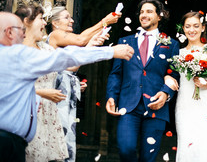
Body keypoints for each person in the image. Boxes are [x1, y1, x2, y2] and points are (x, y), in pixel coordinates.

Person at [0, 11, 134, 162]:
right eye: (20, 29)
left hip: (36, 125)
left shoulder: (37, 50)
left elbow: (67, 62)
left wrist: (92, 46)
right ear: (10, 31)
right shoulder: (14, 55)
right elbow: (66, 56)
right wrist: (110, 50)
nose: (45, 23)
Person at [106, 0, 180, 162]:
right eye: (141, 12)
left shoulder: (171, 44)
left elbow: (174, 74)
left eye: (149, 11)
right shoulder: (124, 42)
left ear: (159, 16)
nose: (144, 15)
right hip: (129, 106)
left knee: (148, 158)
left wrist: (165, 94)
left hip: (156, 106)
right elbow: (116, 73)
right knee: (126, 148)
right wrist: (111, 96)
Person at [45, 6, 120, 161]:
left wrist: (91, 45)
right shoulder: (56, 35)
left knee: (65, 137)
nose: (71, 20)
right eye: (67, 17)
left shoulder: (62, 42)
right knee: (58, 137)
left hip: (64, 95)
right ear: (55, 23)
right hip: (56, 95)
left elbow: (72, 66)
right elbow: (80, 39)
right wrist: (104, 22)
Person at [15, 5, 68, 161]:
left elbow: (71, 63)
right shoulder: (13, 51)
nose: (45, 23)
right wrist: (41, 93)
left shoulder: (47, 50)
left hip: (48, 116)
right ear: (26, 22)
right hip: (25, 114)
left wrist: (92, 44)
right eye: (40, 19)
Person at [175, 11, 207, 161]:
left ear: (203, 27)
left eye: (196, 26)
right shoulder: (179, 53)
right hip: (185, 105)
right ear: (183, 29)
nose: (192, 30)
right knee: (186, 148)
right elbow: (172, 76)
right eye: (188, 26)